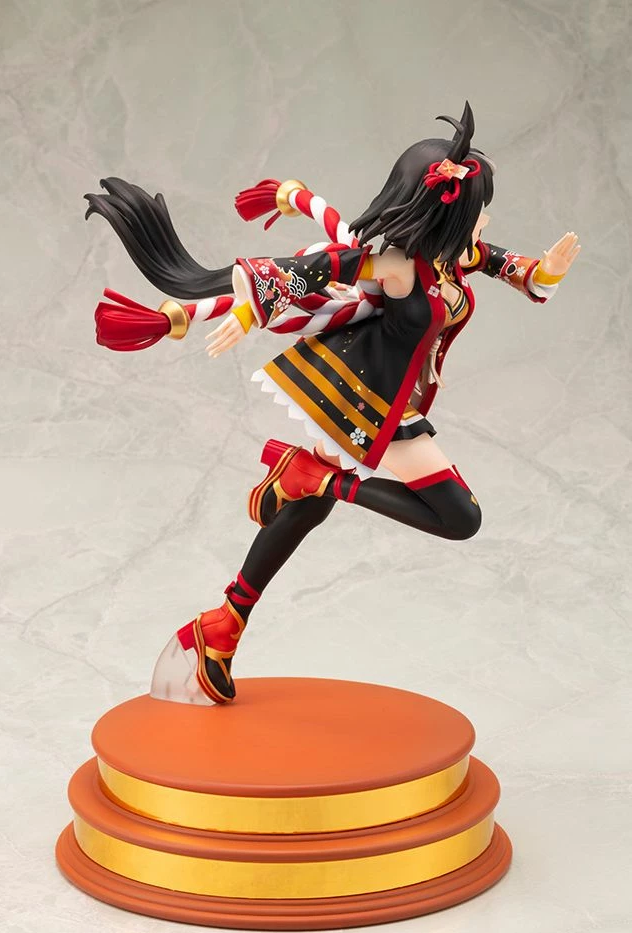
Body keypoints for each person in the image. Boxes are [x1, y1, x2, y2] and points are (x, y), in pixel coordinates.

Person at [85, 102, 580, 706]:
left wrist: (544, 271)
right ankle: (317, 479)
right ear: (445, 213)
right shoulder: (397, 264)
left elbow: (508, 266)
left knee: (304, 511)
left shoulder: (456, 255)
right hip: (367, 402)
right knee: (459, 517)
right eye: (479, 212)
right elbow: (317, 269)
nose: (486, 224)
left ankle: (222, 625)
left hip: (384, 398)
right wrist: (251, 310)